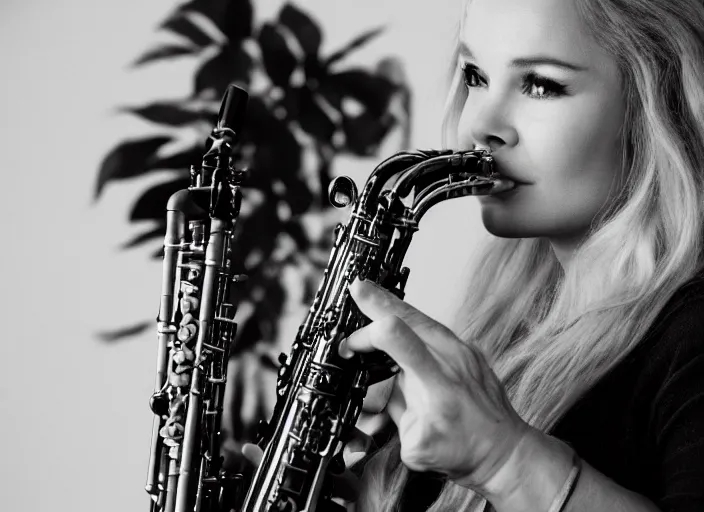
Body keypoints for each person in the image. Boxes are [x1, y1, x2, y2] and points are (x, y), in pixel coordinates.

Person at [331, 0, 704, 510]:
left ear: (660, 102)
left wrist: (505, 461)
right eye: (476, 75)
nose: (480, 123)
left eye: (541, 84)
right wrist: (371, 487)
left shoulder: (693, 336)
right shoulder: (509, 297)